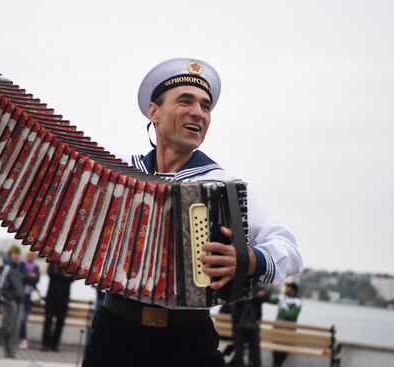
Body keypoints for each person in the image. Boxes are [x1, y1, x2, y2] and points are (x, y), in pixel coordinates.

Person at [82, 58, 303, 367]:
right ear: (154, 112)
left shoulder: (222, 185)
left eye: (206, 106)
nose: (198, 112)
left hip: (186, 340)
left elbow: (288, 248)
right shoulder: (118, 171)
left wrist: (250, 259)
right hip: (113, 332)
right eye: (185, 101)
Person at [229, 285, 268, 367]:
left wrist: (253, 296)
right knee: (239, 350)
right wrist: (247, 296)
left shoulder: (257, 284)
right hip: (239, 325)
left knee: (255, 351)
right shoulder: (238, 284)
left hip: (253, 326)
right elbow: (233, 301)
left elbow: (264, 297)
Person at [41, 263, 74, 352]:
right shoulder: (54, 261)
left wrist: (59, 273)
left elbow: (72, 278)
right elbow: (51, 273)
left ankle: (54, 344)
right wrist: (64, 275)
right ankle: (45, 344)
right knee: (48, 320)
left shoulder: (70, 263)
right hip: (51, 297)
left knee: (60, 321)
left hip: (64, 298)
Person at [268, 282, 302, 367]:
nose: (285, 289)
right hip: (278, 327)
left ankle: (277, 364)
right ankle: (276, 364)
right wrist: (270, 289)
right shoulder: (282, 298)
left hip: (288, 329)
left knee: (284, 350)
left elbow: (292, 314)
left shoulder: (297, 301)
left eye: (288, 288)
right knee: (276, 349)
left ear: (293, 290)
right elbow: (269, 299)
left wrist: (281, 312)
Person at [19, 251, 40, 350]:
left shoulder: (36, 267)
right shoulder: (22, 265)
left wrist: (27, 277)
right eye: (29, 255)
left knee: (23, 318)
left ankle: (23, 340)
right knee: (19, 318)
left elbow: (36, 280)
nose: (31, 257)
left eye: (33, 256)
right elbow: (20, 277)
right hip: (20, 295)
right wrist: (30, 276)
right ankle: (20, 339)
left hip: (28, 297)